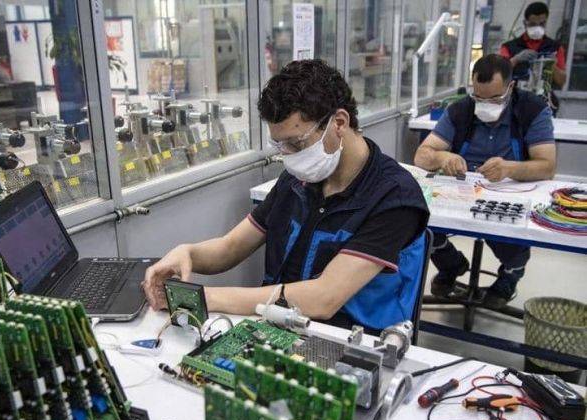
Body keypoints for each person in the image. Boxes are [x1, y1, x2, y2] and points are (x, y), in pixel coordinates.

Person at [143, 59, 429, 332]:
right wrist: (187, 253)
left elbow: (323, 298)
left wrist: (204, 298)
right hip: (277, 325)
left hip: (351, 341)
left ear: (339, 123)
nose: (289, 156)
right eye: (280, 145)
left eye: (296, 143)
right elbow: (231, 247)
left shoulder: (394, 197)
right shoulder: (298, 181)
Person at [414, 54, 556, 308]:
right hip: (463, 189)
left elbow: (547, 166)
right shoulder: (460, 110)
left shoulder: (532, 110)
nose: (485, 105)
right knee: (419, 219)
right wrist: (443, 157)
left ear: (511, 87)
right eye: (479, 97)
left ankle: (509, 275)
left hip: (509, 190)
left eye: (495, 99)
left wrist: (510, 168)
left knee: (510, 231)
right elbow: (422, 155)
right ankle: (451, 264)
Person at [500, 2, 567, 88]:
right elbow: (499, 75)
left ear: (546, 23)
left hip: (543, 94)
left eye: (541, 24)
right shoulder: (508, 47)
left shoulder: (555, 48)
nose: (537, 28)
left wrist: (552, 65)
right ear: (525, 23)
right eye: (533, 24)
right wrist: (515, 59)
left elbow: (561, 82)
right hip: (516, 94)